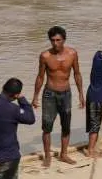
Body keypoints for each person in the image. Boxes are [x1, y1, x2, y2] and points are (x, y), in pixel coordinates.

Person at [31, 26, 84, 167]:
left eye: (58, 40)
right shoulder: (45, 56)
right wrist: (35, 96)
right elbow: (40, 77)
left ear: (64, 40)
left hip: (66, 94)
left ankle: (64, 154)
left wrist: (81, 94)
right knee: (47, 126)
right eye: (53, 40)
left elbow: (77, 74)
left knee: (66, 125)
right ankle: (47, 156)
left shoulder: (72, 54)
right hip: (49, 94)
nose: (55, 43)